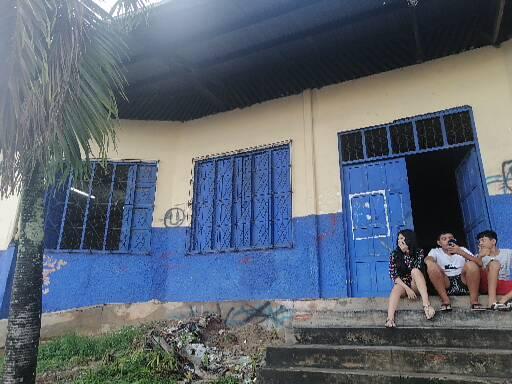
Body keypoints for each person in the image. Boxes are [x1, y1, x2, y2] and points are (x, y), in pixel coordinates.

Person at [386, 229, 435, 328]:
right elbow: (393, 275)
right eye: (398, 239)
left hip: (416, 283)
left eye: (402, 238)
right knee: (396, 287)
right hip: (404, 286)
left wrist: (407, 254)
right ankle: (390, 319)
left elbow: (417, 268)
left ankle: (427, 305)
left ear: (409, 239)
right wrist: (407, 289)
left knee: (415, 271)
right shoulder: (394, 254)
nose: (400, 241)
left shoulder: (419, 252)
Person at [424, 231, 485, 311]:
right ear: (439, 243)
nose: (448, 240)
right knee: (431, 265)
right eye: (444, 239)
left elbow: (480, 263)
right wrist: (432, 264)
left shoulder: (462, 249)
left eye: (450, 238)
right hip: (446, 283)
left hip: (464, 282)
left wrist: (460, 252)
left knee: (472, 265)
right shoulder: (435, 251)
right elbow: (427, 259)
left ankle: (474, 301)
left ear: (454, 240)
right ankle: (445, 300)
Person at [477, 230, 512, 310]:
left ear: (493, 241)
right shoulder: (479, 256)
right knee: (494, 263)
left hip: (503, 284)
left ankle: (503, 300)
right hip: (487, 285)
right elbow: (476, 276)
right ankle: (492, 302)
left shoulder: (507, 253)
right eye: (479, 242)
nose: (480, 243)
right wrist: (480, 257)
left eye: (483, 240)